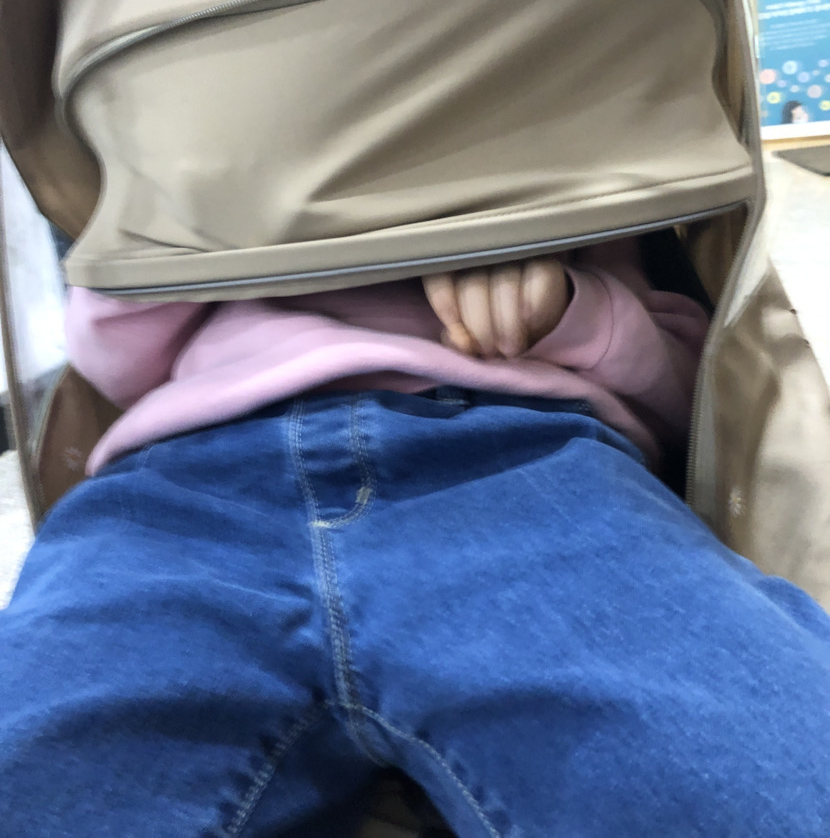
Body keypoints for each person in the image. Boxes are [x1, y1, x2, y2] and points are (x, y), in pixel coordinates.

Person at [1, 239, 830, 837]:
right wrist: (188, 230)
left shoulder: (563, 159)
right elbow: (110, 356)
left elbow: (691, 387)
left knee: (767, 780)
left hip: (524, 461)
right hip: (188, 489)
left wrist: (568, 307)